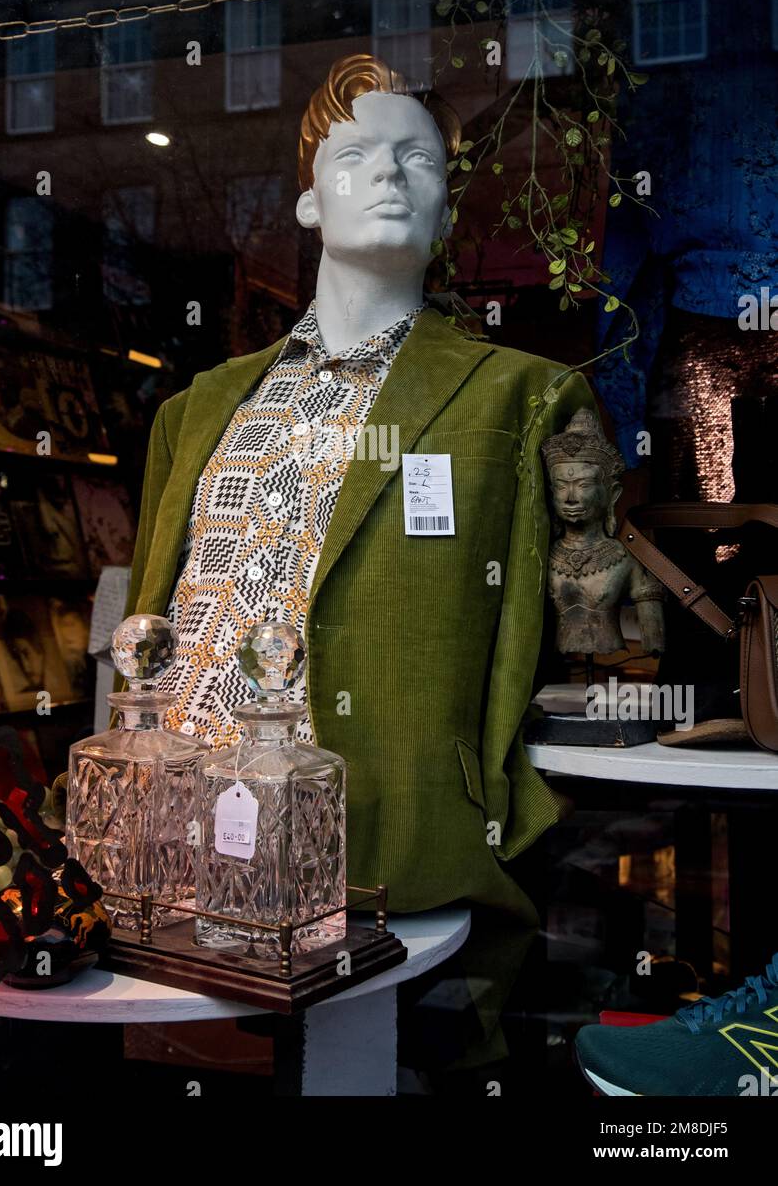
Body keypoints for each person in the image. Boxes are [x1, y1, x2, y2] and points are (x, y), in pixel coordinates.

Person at [59, 53, 595, 1064]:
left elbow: (561, 651)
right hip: (158, 884)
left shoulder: (524, 399)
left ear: (446, 208)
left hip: (374, 877)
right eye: (357, 155)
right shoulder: (195, 408)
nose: (392, 175)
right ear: (307, 201)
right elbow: (154, 629)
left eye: (420, 160)